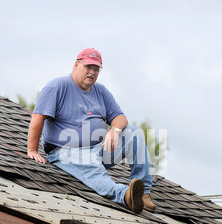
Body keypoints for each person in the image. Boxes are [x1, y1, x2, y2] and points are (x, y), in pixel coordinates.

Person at [27, 48, 156, 214]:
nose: (92, 73)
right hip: (66, 151)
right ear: (76, 65)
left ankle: (143, 192)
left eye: (96, 69)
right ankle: (126, 196)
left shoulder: (100, 91)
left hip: (100, 149)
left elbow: (120, 117)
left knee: (134, 133)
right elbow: (38, 117)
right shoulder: (57, 86)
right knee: (93, 170)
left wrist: (114, 130)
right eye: (88, 67)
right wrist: (32, 149)